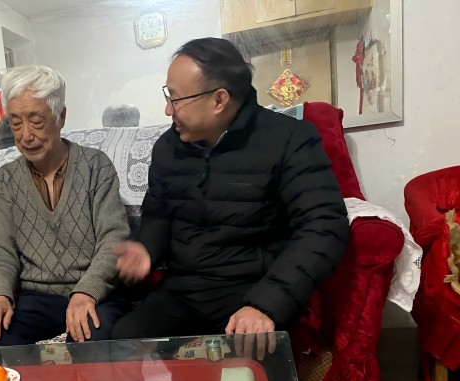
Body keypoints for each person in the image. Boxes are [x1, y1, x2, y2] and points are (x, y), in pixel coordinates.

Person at [114, 37, 350, 354]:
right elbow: (158, 215)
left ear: (219, 100)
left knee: (243, 367)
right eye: (168, 96)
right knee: (122, 342)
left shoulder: (290, 139)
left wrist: (266, 304)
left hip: (253, 289)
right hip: (183, 290)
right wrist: (146, 250)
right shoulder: (169, 148)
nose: (168, 109)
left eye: (176, 99)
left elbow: (324, 227)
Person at [0, 66, 131, 347]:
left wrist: (87, 292)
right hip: (37, 299)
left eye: (36, 121)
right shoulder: (6, 179)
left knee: (93, 337)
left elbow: (114, 240)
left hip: (95, 295)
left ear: (61, 117)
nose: (26, 136)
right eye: (16, 123)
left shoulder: (96, 166)